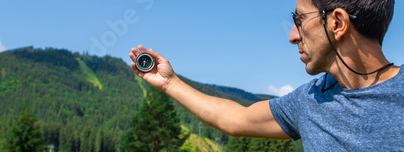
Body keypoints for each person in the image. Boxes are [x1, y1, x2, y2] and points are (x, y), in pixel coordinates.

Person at [128, 0, 402, 151]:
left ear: (337, 23)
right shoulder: (309, 100)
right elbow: (234, 119)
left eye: (299, 20)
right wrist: (169, 82)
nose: (293, 36)